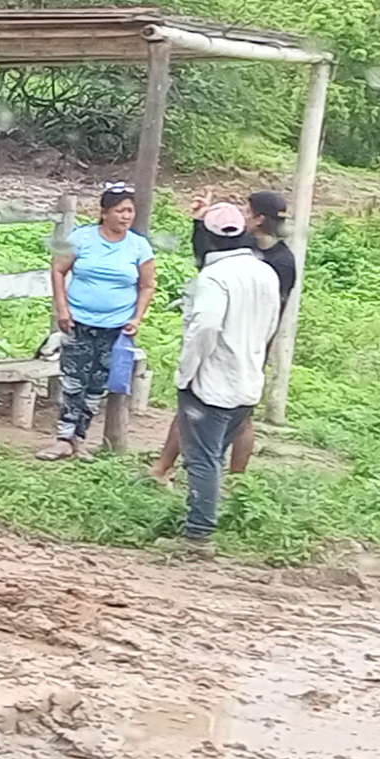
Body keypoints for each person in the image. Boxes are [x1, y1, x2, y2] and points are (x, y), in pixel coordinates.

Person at [170, 198, 284, 551]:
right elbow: (271, 324)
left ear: (209, 237)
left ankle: (198, 533)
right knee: (214, 456)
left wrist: (187, 371)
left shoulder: (214, 277)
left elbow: (205, 327)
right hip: (246, 380)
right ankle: (202, 519)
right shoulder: (265, 272)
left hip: (212, 382)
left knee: (203, 460)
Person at [43, 182, 157, 458]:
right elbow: (58, 270)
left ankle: (80, 437)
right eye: (120, 211)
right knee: (73, 380)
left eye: (130, 211)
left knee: (97, 384)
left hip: (116, 326)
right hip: (78, 320)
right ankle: (63, 437)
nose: (126, 216)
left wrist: (137, 318)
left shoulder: (138, 246)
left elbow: (147, 285)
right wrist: (62, 309)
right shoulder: (82, 238)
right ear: (104, 213)